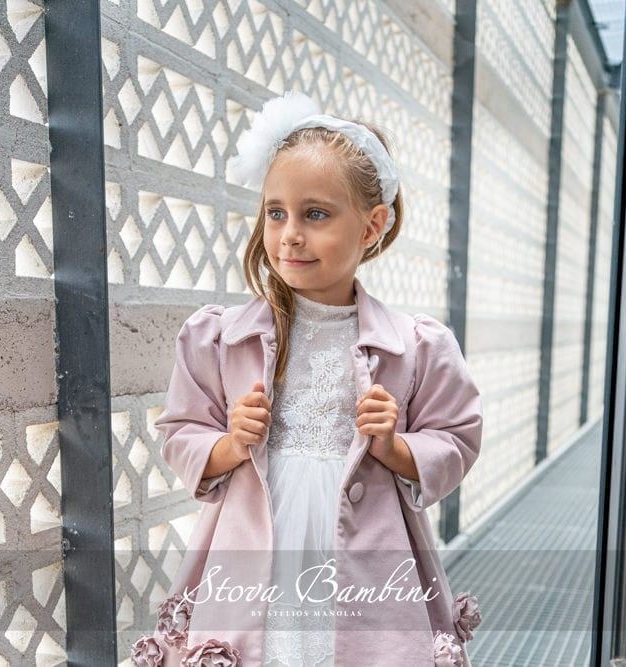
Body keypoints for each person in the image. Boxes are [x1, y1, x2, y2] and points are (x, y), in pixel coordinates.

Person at [130, 90, 483, 667]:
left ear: (372, 226)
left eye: (315, 214)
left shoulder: (418, 346)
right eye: (276, 213)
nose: (289, 234)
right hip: (252, 551)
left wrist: (395, 448)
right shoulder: (218, 338)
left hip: (370, 562)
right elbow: (180, 431)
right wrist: (230, 444)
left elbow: (457, 436)